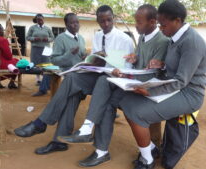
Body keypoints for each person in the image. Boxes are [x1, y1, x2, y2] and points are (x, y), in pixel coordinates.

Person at [57, 4, 170, 167]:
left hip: (145, 88)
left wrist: (128, 73)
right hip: (133, 81)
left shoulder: (162, 41)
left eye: (138, 23)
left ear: (153, 22)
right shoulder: (143, 37)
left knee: (106, 96)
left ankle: (98, 144)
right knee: (105, 80)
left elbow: (152, 73)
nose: (136, 26)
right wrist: (130, 63)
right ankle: (89, 132)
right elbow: (140, 64)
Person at [14, 5, 134, 155]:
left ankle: (41, 124)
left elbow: (128, 68)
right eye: (102, 21)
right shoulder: (97, 36)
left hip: (112, 80)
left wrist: (114, 66)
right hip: (97, 75)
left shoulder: (124, 39)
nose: (106, 24)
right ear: (97, 21)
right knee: (71, 80)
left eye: (109, 20)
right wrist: (93, 61)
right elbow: (98, 61)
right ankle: (57, 140)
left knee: (76, 86)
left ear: (114, 18)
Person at [117, 0, 206, 168]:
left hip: (189, 93)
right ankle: (151, 148)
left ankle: (147, 159)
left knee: (138, 113)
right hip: (174, 87)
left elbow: (182, 80)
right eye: (159, 25)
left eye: (163, 25)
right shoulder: (175, 37)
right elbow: (177, 68)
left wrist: (151, 92)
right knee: (127, 103)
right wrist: (162, 64)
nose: (161, 29)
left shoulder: (191, 42)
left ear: (178, 21)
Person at [26, 14, 54, 86]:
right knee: (36, 63)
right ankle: (38, 80)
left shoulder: (47, 29)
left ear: (43, 19)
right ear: (36, 21)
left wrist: (47, 39)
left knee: (46, 63)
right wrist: (34, 39)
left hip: (46, 48)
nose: (40, 21)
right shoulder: (32, 28)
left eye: (41, 19)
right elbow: (27, 37)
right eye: (38, 20)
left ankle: (45, 79)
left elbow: (52, 38)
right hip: (36, 48)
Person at [0, 24, 19, 89]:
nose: (3, 31)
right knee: (17, 62)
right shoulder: (2, 40)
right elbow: (8, 56)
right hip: (0, 64)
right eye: (2, 30)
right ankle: (12, 83)